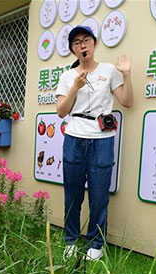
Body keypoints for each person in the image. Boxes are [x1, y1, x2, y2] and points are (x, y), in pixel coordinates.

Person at [56, 25, 133, 261]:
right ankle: (70, 240)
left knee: (99, 195)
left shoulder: (109, 70)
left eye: (86, 40)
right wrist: (75, 87)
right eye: (77, 42)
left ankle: (95, 243)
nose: (82, 45)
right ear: (72, 49)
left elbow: (127, 101)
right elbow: (61, 111)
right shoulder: (68, 76)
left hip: (102, 139)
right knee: (73, 194)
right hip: (75, 137)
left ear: (94, 43)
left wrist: (127, 75)